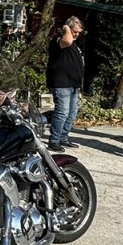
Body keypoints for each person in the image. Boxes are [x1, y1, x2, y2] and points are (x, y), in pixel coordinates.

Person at [46, 16, 84, 152]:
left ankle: (63, 137)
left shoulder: (75, 42)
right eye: (74, 31)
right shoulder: (59, 40)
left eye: (79, 32)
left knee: (71, 113)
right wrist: (66, 28)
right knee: (62, 112)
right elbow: (67, 40)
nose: (76, 35)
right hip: (61, 83)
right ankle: (54, 140)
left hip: (73, 84)